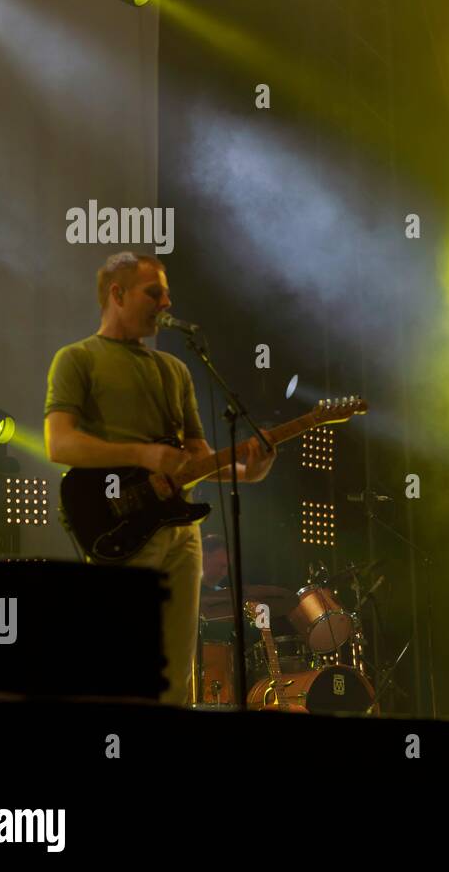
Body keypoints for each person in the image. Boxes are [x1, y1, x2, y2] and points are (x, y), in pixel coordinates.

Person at [44, 251, 276, 705]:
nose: (166, 302)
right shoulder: (76, 359)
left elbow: (197, 456)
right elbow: (60, 444)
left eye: (167, 293)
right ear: (118, 293)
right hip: (122, 524)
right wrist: (143, 454)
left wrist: (248, 471)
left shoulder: (176, 370)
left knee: (175, 675)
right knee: (120, 662)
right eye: (155, 292)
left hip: (181, 531)